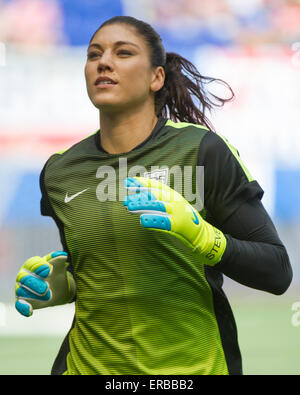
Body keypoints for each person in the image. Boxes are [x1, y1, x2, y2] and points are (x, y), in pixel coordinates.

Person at [14, 16, 292, 375]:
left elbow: (278, 272)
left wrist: (204, 239)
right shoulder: (59, 172)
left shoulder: (202, 151)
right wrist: (61, 286)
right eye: (94, 54)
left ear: (155, 77)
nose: (104, 62)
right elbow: (102, 270)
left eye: (123, 52)